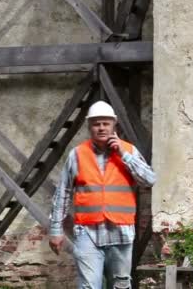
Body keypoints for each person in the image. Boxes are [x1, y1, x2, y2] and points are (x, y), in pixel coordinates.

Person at [48, 100, 156, 289]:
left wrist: (124, 155)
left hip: (121, 232)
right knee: (89, 286)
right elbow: (62, 194)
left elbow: (149, 180)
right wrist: (56, 230)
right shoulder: (77, 154)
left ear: (114, 125)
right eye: (96, 123)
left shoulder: (128, 151)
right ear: (90, 126)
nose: (101, 128)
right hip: (88, 233)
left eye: (106, 123)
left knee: (121, 285)